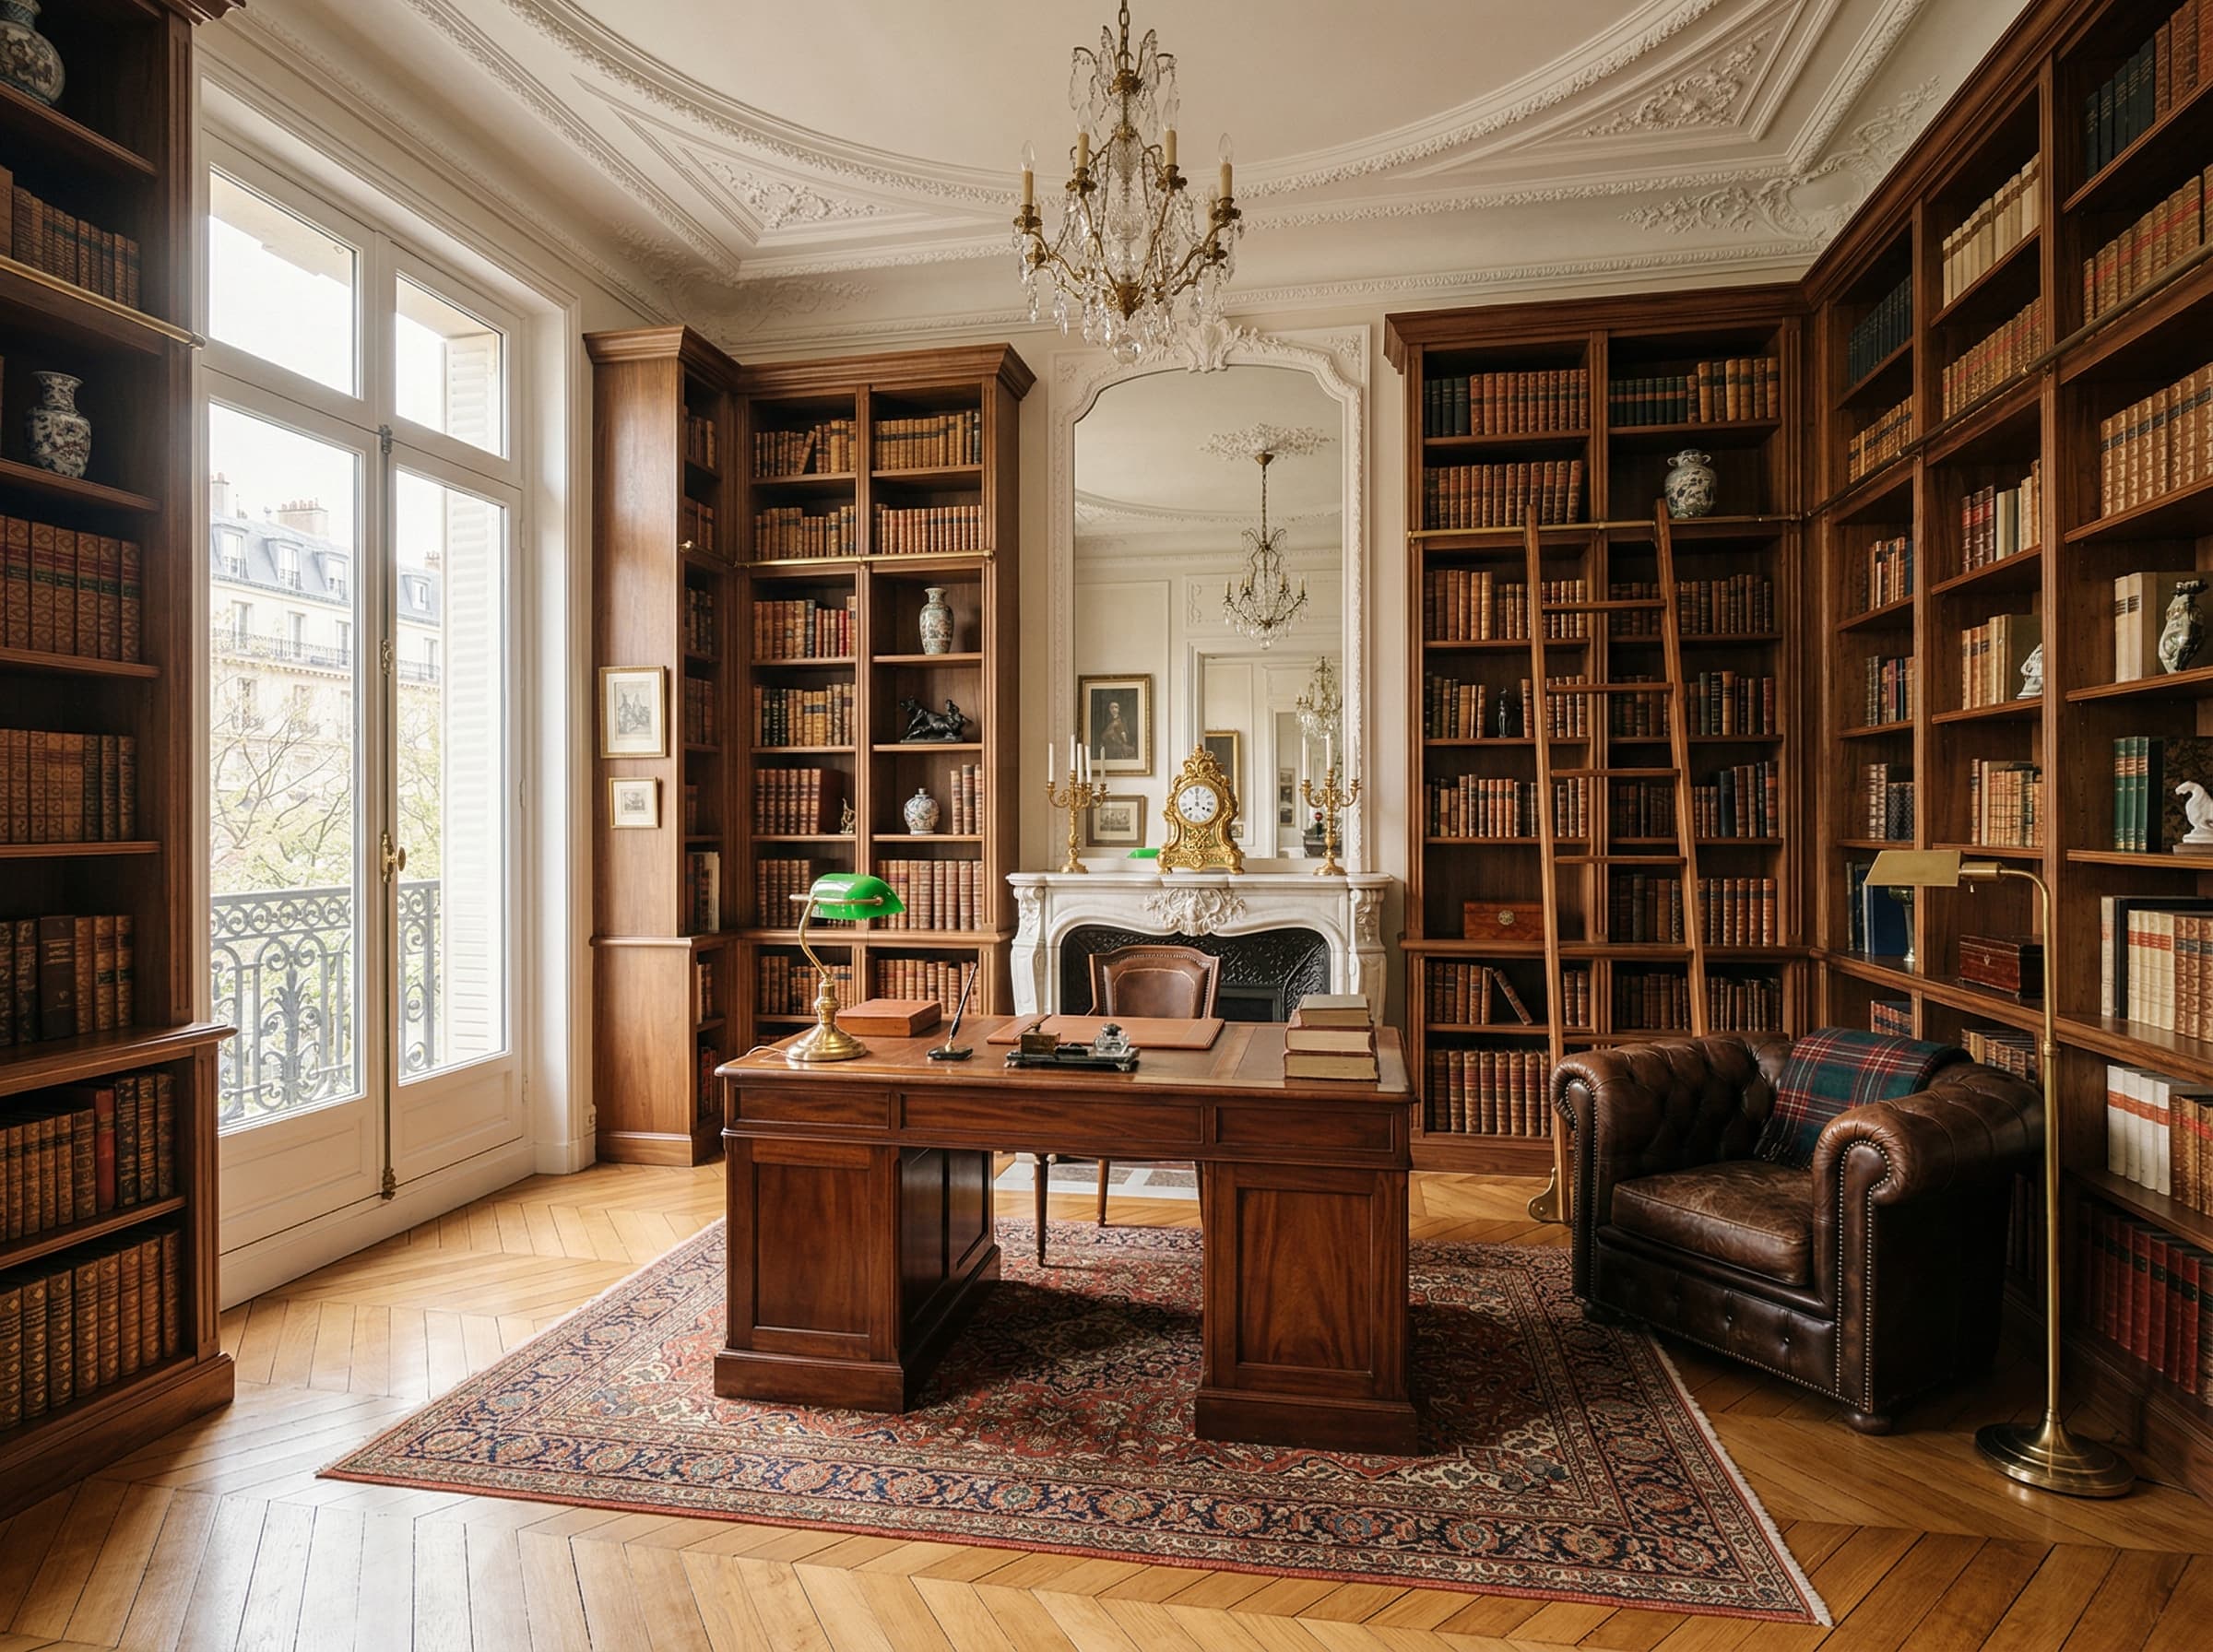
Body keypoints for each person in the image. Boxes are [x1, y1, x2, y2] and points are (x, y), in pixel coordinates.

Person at [1095, 697, 1135, 762]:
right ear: (1109, 709)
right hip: (1109, 747)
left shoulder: (1123, 720)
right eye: (1112, 707)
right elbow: (1103, 736)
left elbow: (1126, 733)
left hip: (1119, 748)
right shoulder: (1106, 721)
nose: (1114, 709)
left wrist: (1124, 737)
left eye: (1116, 707)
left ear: (1118, 709)